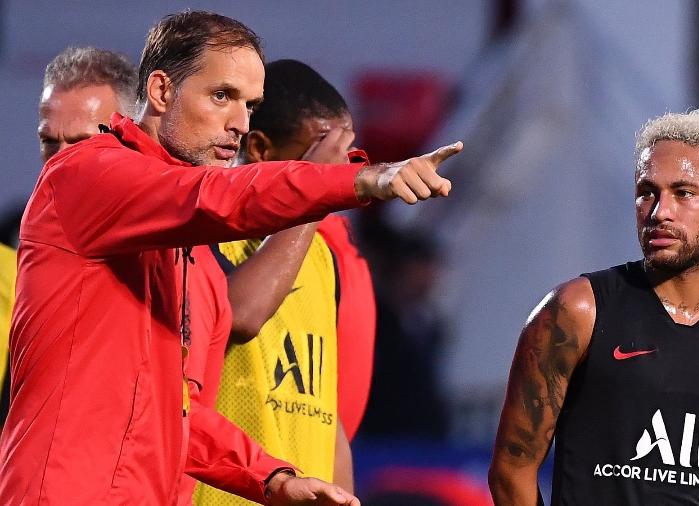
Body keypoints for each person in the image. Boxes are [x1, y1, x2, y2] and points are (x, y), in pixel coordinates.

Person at [1, 10, 461, 505]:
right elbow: (217, 197)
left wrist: (273, 479)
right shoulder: (82, 175)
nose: (241, 123)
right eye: (222, 96)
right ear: (160, 91)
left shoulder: (194, 263)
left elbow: (178, 416)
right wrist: (362, 178)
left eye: (251, 104)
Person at [488, 110, 699, 505]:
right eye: (646, 192)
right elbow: (511, 471)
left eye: (683, 193)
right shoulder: (577, 310)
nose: (659, 212)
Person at [193, 58, 372, 505]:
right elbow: (240, 316)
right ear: (259, 148)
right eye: (319, 156)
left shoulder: (322, 257)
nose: (334, 175)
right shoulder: (203, 230)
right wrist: (312, 197)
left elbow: (326, 414)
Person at [1, 47, 139, 426]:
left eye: (79, 144)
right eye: (49, 142)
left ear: (130, 139)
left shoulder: (174, 249)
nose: (59, 162)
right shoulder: (24, 249)